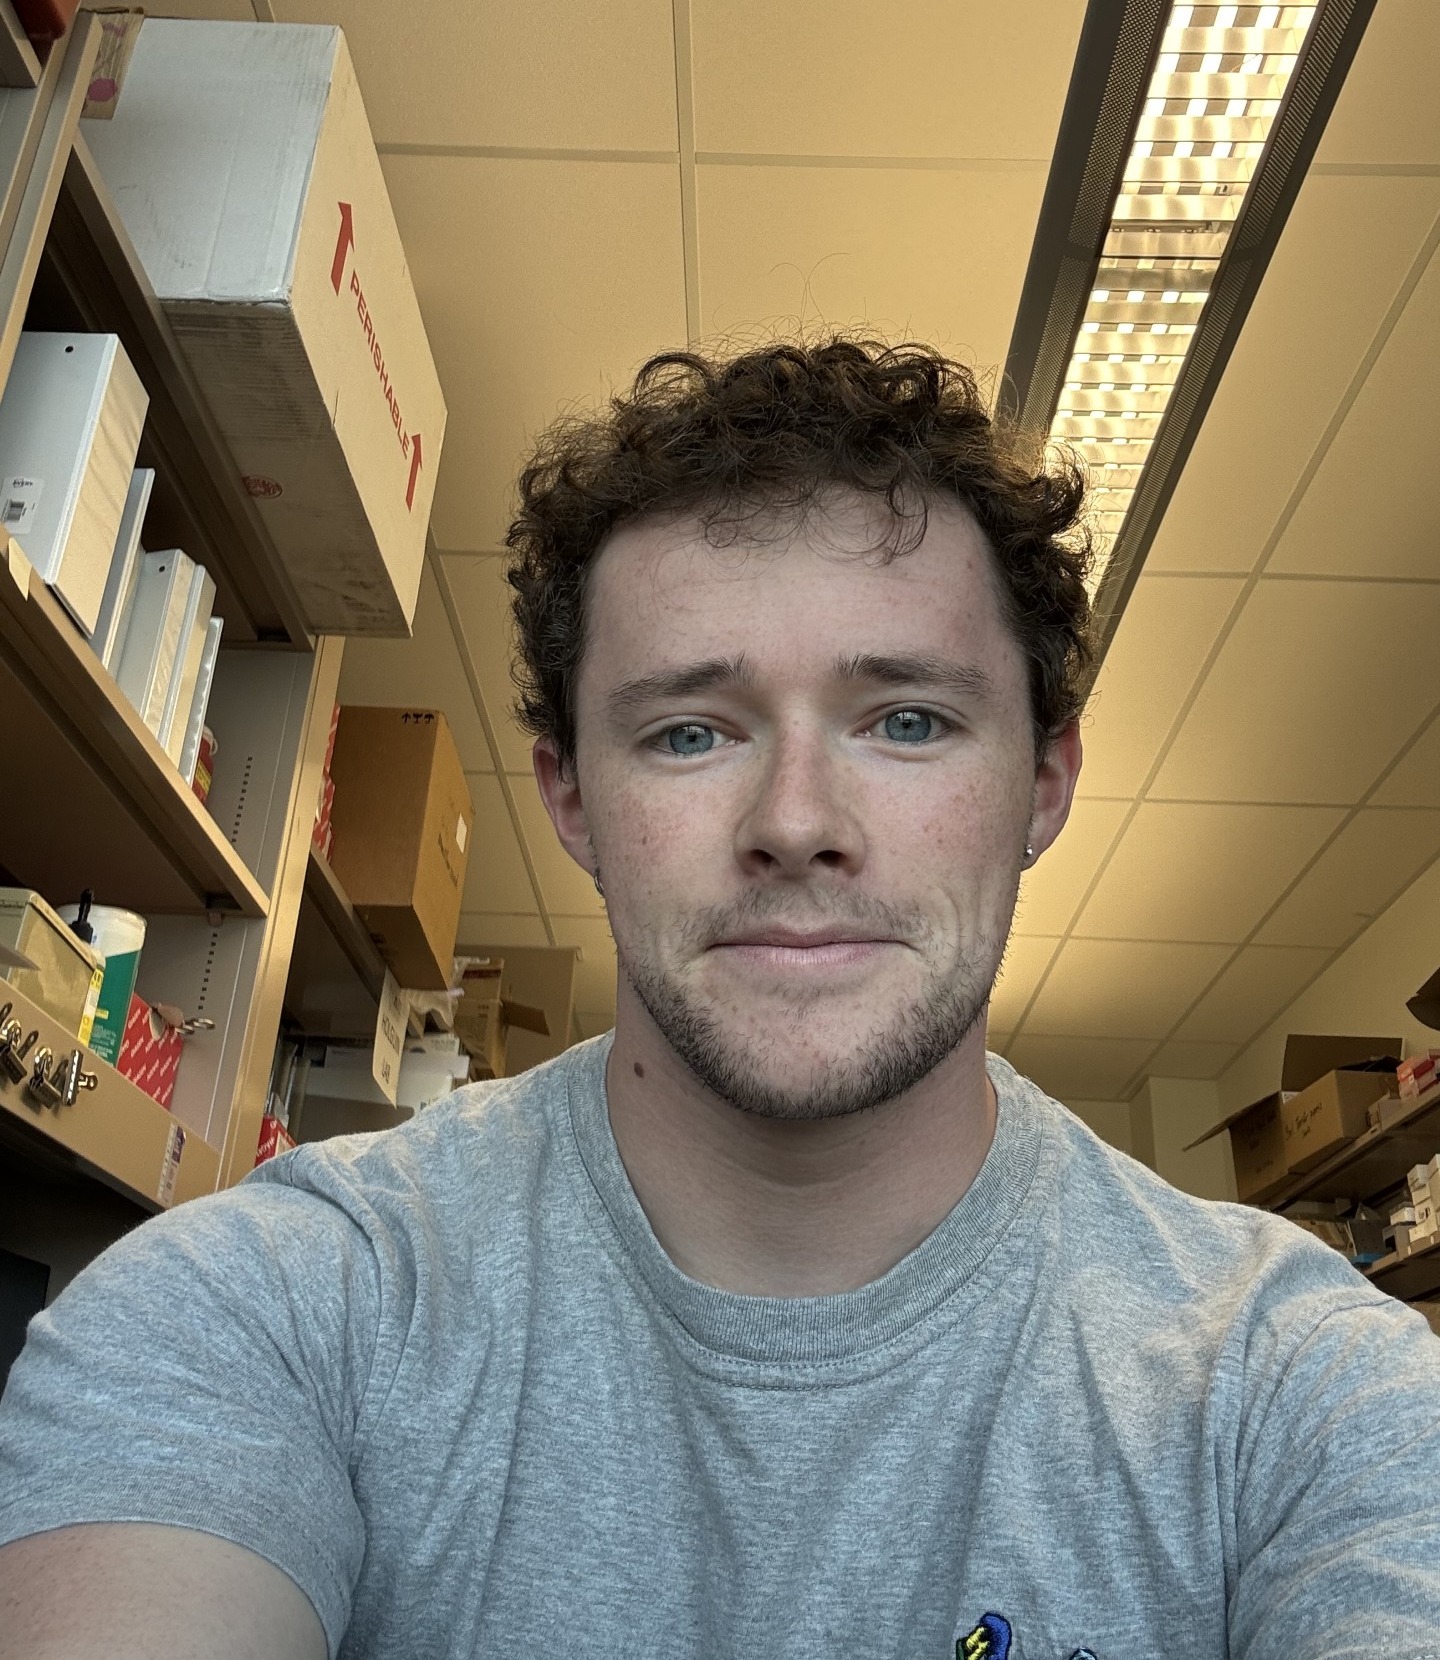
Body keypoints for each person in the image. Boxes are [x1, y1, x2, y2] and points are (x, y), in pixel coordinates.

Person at [1, 339, 1436, 1660]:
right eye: (691, 730)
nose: (797, 820)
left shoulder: (1301, 1389)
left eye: (910, 721)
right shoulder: (269, 1313)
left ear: (1043, 783)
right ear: (569, 793)